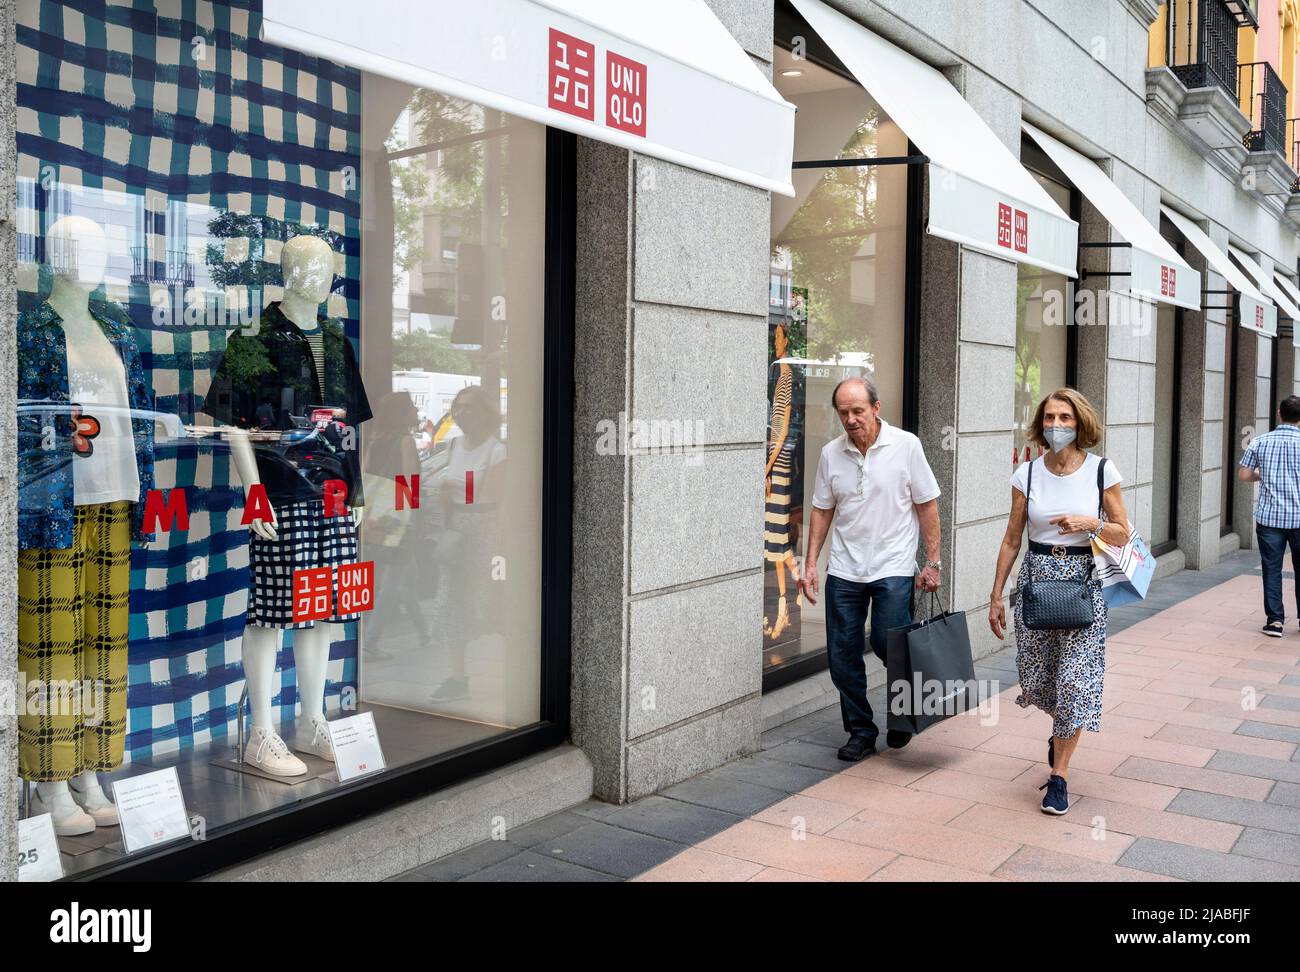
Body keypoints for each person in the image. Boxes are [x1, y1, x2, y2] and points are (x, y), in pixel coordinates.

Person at [989, 388, 1130, 815]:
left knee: (1075, 682)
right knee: (1040, 681)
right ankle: (1061, 729)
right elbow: (1013, 537)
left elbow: (1124, 532)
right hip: (1038, 580)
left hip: (1083, 582)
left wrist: (1092, 523)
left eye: (1065, 418)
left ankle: (1059, 777)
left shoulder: (1102, 471)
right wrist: (996, 595)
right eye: (1050, 418)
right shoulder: (1027, 474)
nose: (1057, 426)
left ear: (1080, 423)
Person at [799, 377, 941, 762]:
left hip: (893, 566)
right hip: (845, 569)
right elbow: (822, 509)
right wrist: (810, 563)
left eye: (858, 411)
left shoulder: (906, 446)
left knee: (887, 643)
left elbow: (927, 504)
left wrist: (933, 561)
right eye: (843, 412)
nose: (851, 419)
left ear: (876, 408)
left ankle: (903, 714)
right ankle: (861, 730)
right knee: (842, 657)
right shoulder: (832, 453)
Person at [1238, 395, 1300, 637]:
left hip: (1269, 519)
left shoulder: (1259, 442)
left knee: (1271, 569)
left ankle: (1275, 621)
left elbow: (1244, 475)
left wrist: (1261, 476)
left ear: (1278, 413)